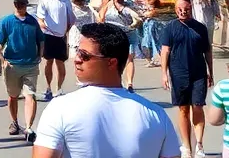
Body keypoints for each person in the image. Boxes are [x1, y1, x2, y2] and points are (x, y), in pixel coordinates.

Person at [31, 22, 181, 158]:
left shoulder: (60, 109)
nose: (77, 59)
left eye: (84, 55)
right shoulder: (157, 115)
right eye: (77, 51)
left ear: (111, 63)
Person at [161, 0, 214, 158]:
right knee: (183, 109)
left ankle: (199, 144)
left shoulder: (200, 28)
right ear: (176, 10)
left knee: (198, 106)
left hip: (198, 73)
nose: (183, 12)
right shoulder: (170, 28)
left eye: (186, 9)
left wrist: (211, 72)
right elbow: (165, 51)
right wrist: (164, 73)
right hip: (178, 74)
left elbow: (207, 51)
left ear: (191, 8)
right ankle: (186, 146)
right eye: (180, 9)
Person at [0, 0, 45, 143]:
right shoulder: (6, 22)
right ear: (14, 5)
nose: (20, 7)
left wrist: (40, 56)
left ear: (26, 5)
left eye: (22, 4)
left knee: (30, 95)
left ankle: (29, 127)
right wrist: (2, 60)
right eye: (17, 4)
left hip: (30, 65)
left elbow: (41, 40)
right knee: (13, 96)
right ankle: (15, 121)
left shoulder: (33, 22)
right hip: (12, 65)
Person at [35, 0, 76, 100]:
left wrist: (66, 32)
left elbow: (71, 19)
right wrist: (46, 28)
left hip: (61, 37)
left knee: (60, 63)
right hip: (48, 36)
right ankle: (48, 88)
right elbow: (40, 19)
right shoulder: (44, 0)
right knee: (48, 62)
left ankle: (58, 88)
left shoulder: (65, 1)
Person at [98, 0, 139, 92]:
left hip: (130, 33)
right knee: (117, 59)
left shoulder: (129, 4)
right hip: (116, 34)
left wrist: (134, 24)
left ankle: (130, 83)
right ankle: (117, 80)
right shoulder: (109, 5)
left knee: (130, 57)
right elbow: (100, 18)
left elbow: (138, 17)